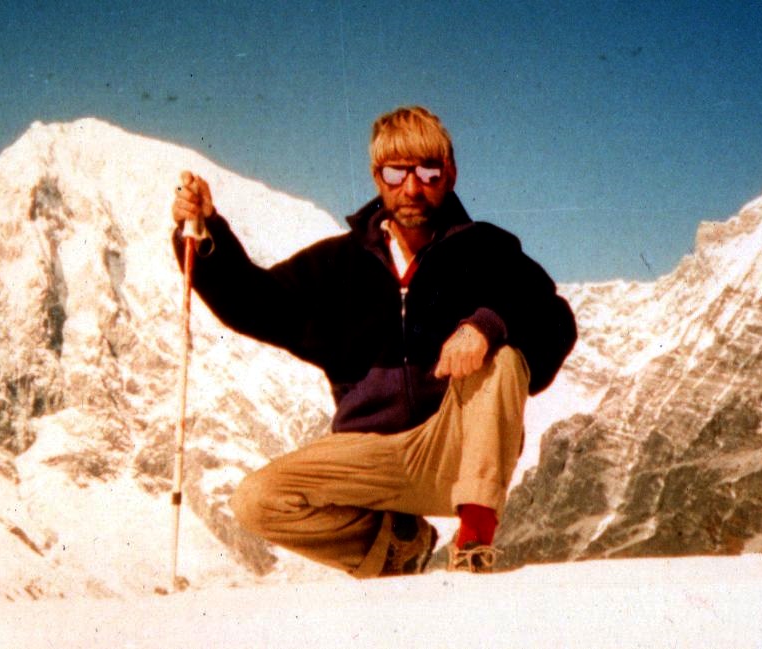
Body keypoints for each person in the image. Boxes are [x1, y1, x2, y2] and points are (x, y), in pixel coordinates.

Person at [170, 106, 576, 576]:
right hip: (368, 458)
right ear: (376, 176)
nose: (412, 187)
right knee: (257, 500)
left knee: (503, 359)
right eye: (395, 172)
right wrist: (205, 230)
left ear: (450, 175)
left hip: (454, 448)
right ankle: (396, 548)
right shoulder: (338, 265)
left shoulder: (485, 249)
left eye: (428, 171)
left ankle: (473, 543)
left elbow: (552, 316)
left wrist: (485, 325)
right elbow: (256, 302)